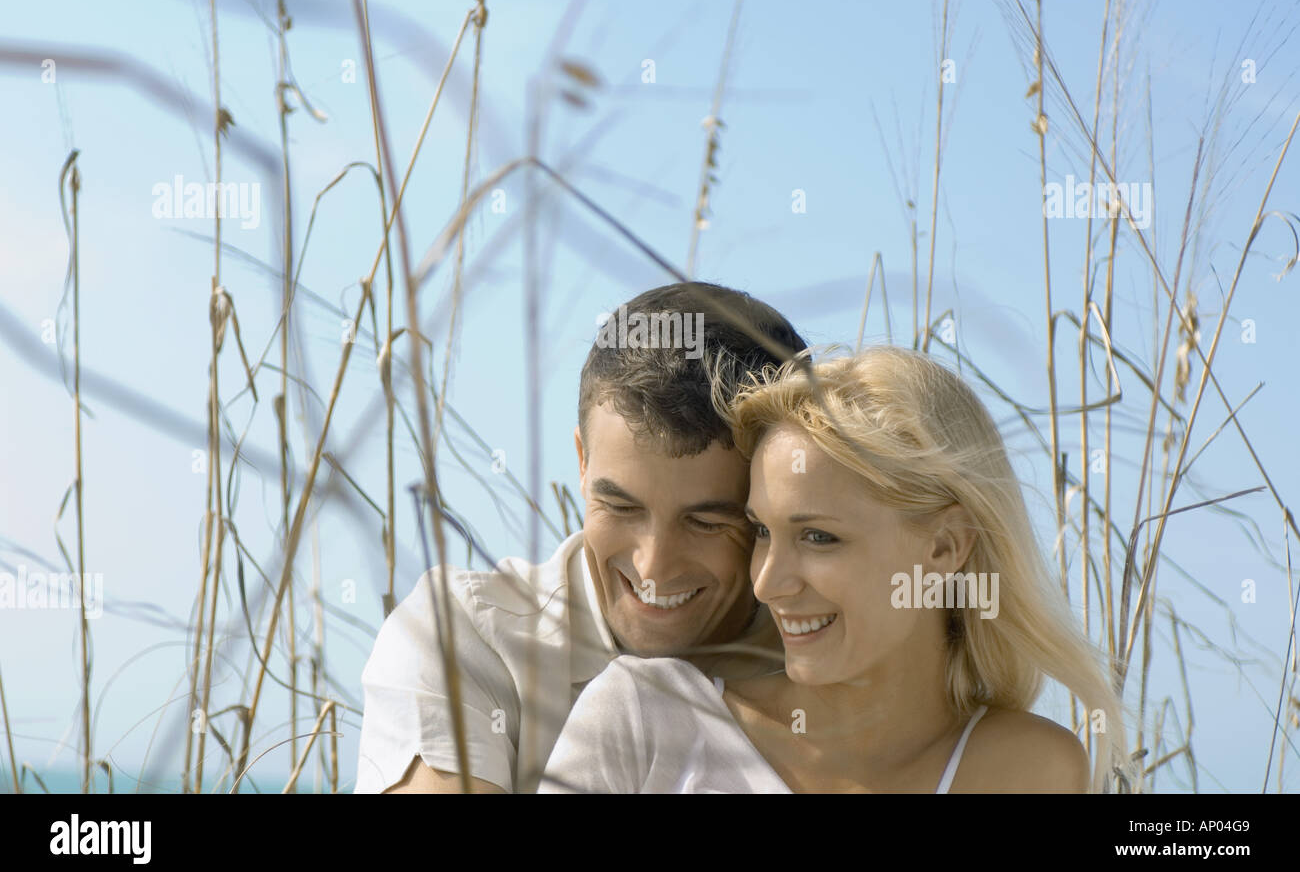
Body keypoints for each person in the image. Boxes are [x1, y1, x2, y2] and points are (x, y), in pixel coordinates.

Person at [540, 346, 1129, 793]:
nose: (768, 581)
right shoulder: (645, 716)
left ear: (947, 547)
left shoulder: (1027, 769)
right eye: (764, 532)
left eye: (818, 537)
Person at [354, 281, 807, 793]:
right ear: (582, 464)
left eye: (706, 522)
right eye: (620, 506)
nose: (654, 567)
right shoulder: (462, 637)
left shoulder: (832, 653)